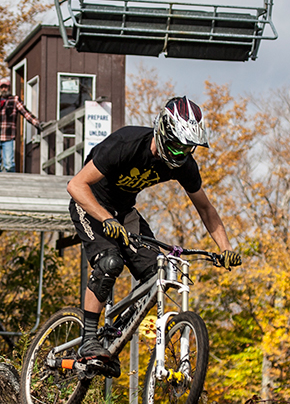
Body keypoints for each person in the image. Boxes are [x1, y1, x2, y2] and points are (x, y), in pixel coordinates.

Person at [66, 96, 241, 369]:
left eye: (186, 149)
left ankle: (113, 336)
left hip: (125, 213)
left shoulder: (183, 164)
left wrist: (226, 248)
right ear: (163, 130)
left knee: (158, 276)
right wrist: (105, 218)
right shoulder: (126, 144)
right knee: (110, 262)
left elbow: (206, 209)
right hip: (91, 205)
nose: (180, 154)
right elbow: (76, 185)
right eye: (176, 146)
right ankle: (88, 338)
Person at [0, 77, 40, 172]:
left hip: (8, 137)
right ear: (0, 88)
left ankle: (12, 184)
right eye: (2, 87)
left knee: (9, 164)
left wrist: (37, 123)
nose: (4, 89)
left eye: (6, 87)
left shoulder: (14, 100)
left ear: (9, 87)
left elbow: (26, 113)